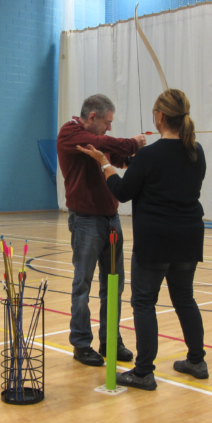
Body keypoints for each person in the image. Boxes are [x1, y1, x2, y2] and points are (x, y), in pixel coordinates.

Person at [77, 89, 207, 391]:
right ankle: (197, 361)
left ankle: (143, 372)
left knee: (144, 302)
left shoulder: (150, 155)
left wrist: (104, 162)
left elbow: (122, 192)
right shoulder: (195, 150)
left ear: (160, 117)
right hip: (189, 237)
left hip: (157, 240)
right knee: (184, 298)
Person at [56, 94, 147, 366]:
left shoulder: (99, 140)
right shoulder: (71, 133)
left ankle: (110, 340)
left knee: (114, 286)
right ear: (92, 117)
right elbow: (102, 142)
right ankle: (81, 344)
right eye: (107, 122)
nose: (109, 128)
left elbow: (119, 158)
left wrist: (140, 154)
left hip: (111, 219)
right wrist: (132, 142)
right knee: (82, 285)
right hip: (85, 221)